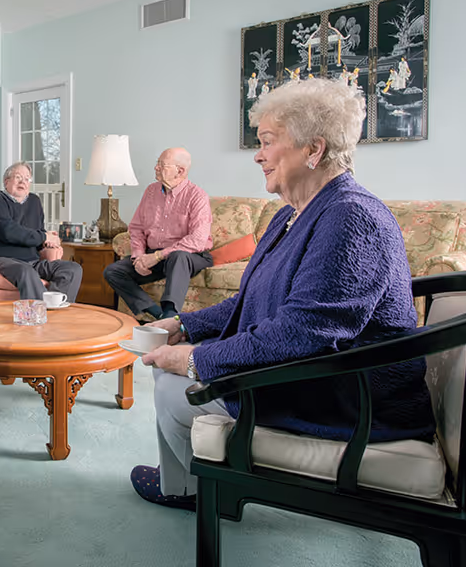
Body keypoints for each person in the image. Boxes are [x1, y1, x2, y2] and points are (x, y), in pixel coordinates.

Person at [129, 78, 434, 511]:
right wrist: (183, 325)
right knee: (167, 369)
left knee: (173, 387)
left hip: (347, 393)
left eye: (268, 141)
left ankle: (196, 493)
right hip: (314, 371)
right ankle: (186, 485)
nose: (258, 154)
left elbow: (305, 332)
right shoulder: (291, 214)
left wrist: (196, 358)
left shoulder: (351, 217)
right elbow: (250, 298)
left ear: (314, 149)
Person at [103, 148, 213, 322]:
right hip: (156, 256)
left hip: (190, 256)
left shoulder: (197, 196)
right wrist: (138, 256)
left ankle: (170, 312)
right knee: (113, 271)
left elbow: (197, 240)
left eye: (162, 165)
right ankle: (157, 314)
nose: (156, 168)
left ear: (180, 171)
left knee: (178, 257)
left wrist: (157, 256)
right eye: (157, 163)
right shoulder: (151, 191)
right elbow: (137, 228)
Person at [0, 162, 82, 301]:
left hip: (33, 261)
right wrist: (44, 237)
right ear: (6, 181)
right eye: (18, 177)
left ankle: (56, 313)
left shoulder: (34, 201)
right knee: (26, 272)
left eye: (27, 179)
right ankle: (37, 316)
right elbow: (8, 231)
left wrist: (48, 242)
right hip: (4, 259)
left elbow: (38, 234)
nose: (23, 182)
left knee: (73, 269)